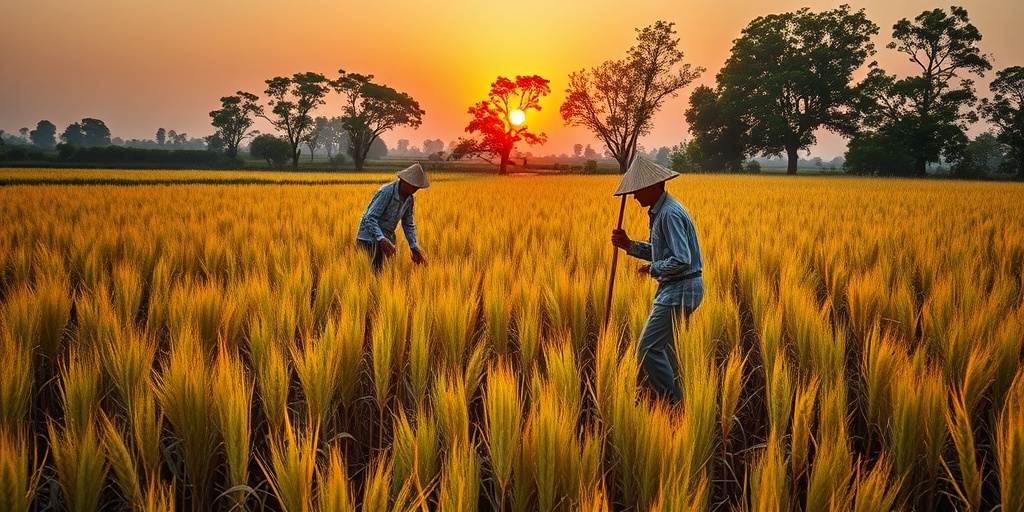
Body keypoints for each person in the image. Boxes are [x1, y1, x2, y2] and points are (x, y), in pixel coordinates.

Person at [610, 157, 704, 403]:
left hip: (679, 290)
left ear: (654, 186)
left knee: (648, 348)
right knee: (667, 351)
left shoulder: (669, 214)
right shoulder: (663, 210)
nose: (633, 197)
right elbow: (665, 251)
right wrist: (629, 245)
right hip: (679, 289)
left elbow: (681, 259)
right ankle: (679, 403)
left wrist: (652, 269)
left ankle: (671, 403)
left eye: (637, 190)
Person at [356, 163, 429, 272]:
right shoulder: (386, 192)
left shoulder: (409, 199)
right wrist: (381, 239)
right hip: (368, 239)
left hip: (386, 241)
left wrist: (414, 247)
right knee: (373, 275)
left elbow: (408, 224)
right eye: (413, 186)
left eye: (417, 187)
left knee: (382, 277)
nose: (415, 189)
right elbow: (370, 217)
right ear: (404, 181)